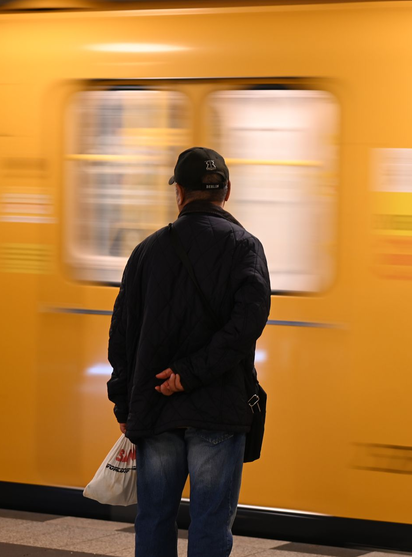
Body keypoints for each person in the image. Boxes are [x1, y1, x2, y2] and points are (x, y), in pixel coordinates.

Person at [106, 147, 271, 557]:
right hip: (218, 410)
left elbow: (121, 335)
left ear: (179, 193)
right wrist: (191, 374)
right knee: (211, 524)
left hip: (156, 409)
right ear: (226, 192)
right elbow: (246, 326)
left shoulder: (146, 252)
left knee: (154, 519)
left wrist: (124, 404)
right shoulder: (245, 248)